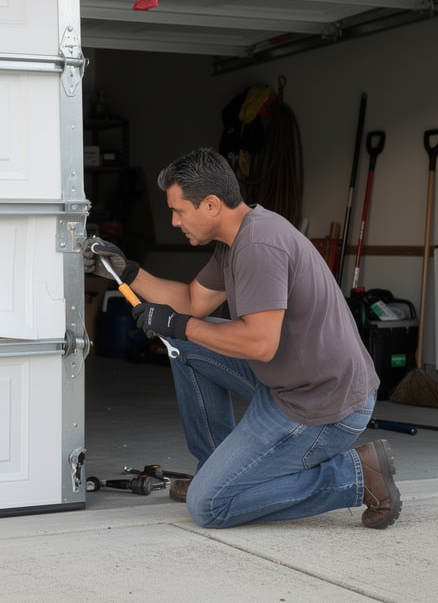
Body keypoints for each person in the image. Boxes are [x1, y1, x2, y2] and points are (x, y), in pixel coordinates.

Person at [84, 147, 400, 529]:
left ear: (212, 205)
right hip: (290, 383)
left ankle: (357, 476)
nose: (173, 221)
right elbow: (192, 302)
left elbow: (259, 343)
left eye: (179, 210)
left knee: (210, 506)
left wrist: (178, 324)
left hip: (322, 407)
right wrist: (127, 272)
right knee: (186, 344)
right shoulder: (236, 240)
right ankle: (216, 465)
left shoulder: (258, 245)